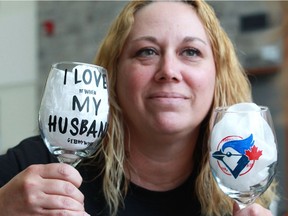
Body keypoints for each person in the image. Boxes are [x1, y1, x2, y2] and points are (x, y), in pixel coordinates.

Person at [0, 1, 277, 216]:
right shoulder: (39, 167)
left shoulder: (243, 182)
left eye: (190, 52)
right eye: (147, 51)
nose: (168, 71)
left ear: (218, 76)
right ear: (114, 75)